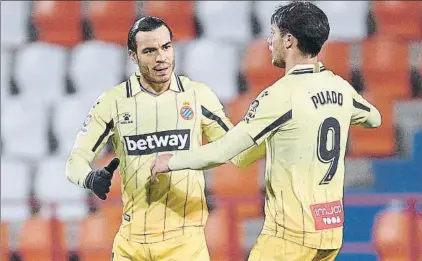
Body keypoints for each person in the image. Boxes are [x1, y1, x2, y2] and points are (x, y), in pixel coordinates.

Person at [151, 2, 382, 261]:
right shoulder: (339, 86)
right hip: (329, 231)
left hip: (290, 235)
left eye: (273, 33)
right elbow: (374, 118)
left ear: (289, 40)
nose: (269, 41)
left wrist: (171, 161)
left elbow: (223, 152)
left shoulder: (280, 96)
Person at [65, 16, 262, 261]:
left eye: (166, 47)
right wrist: (89, 177)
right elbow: (75, 160)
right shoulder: (112, 102)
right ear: (133, 56)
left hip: (185, 245)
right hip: (132, 245)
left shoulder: (198, 95)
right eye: (149, 51)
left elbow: (236, 151)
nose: (161, 58)